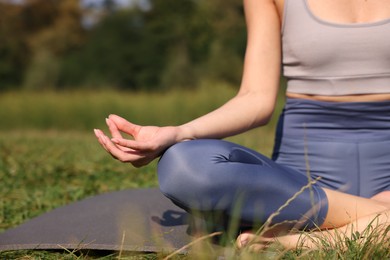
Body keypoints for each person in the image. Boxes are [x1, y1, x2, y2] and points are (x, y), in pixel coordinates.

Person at [94, 0, 390, 251]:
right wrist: (179, 132)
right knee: (183, 166)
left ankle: (304, 241)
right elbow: (255, 98)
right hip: (297, 185)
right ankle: (377, 222)